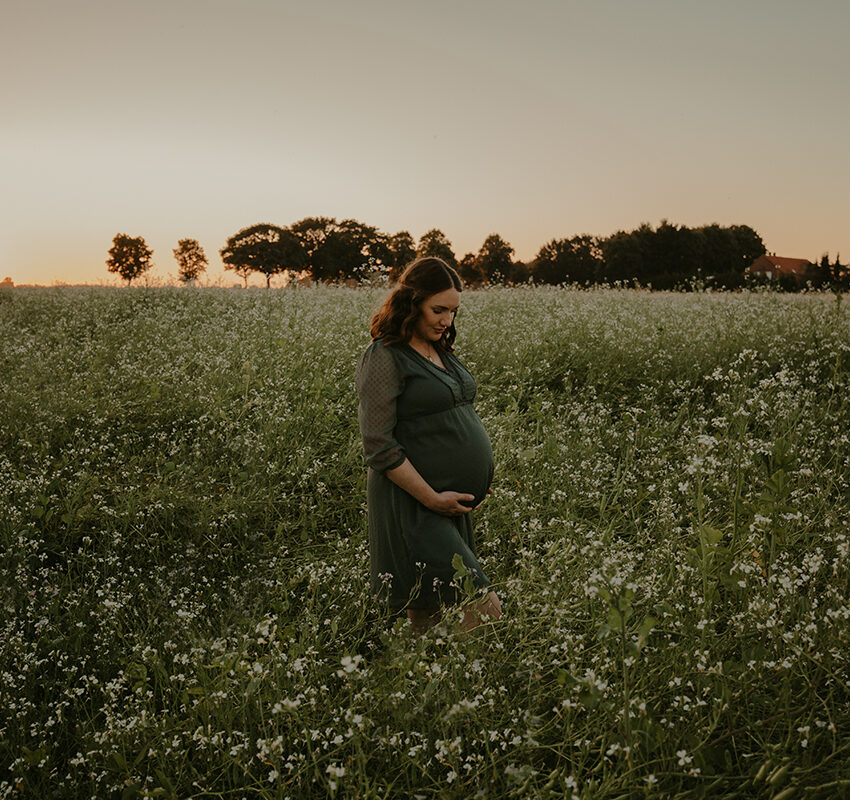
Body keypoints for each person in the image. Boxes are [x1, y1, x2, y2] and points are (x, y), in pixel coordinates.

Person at [355, 256, 503, 633]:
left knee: (425, 607)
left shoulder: (440, 351)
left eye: (453, 312)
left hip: (449, 504)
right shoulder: (384, 356)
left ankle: (424, 685)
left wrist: (474, 481)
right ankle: (463, 686)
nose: (447, 321)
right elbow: (378, 444)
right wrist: (432, 498)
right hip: (414, 504)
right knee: (483, 607)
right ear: (411, 303)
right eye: (438, 310)